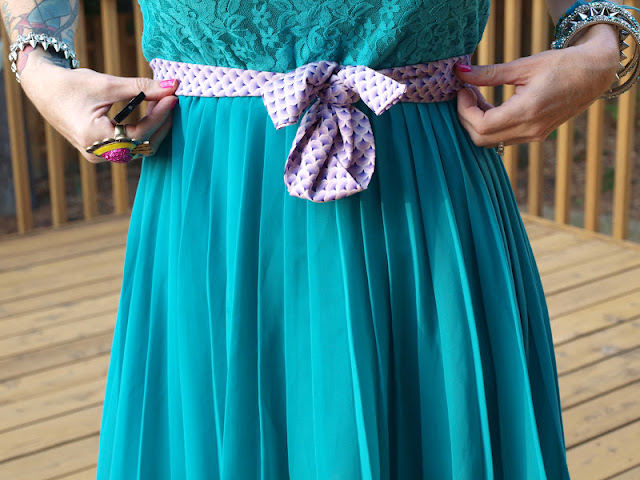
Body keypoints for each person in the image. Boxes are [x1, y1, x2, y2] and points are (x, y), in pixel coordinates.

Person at [2, 0, 631, 478]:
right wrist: (40, 68)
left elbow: (596, 18)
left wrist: (600, 44)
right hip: (219, 188)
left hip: (425, 184)